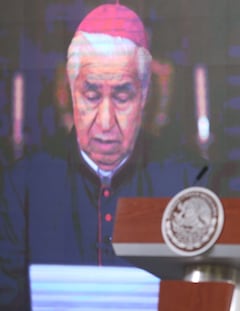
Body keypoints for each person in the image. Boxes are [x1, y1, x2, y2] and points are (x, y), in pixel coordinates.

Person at [0, 4, 206, 310]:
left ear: (144, 95)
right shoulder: (23, 186)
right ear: (71, 91)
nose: (106, 121)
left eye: (122, 96)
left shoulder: (187, 182)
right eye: (92, 95)